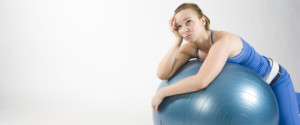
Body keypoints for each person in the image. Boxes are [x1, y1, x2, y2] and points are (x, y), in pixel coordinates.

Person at [151, 3, 300, 125]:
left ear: (202, 21)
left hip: (274, 81)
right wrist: (177, 40)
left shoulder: (223, 41)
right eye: (179, 26)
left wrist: (163, 92)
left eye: (188, 21)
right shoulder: (191, 48)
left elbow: (201, 81)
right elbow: (163, 73)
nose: (184, 30)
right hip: (253, 92)